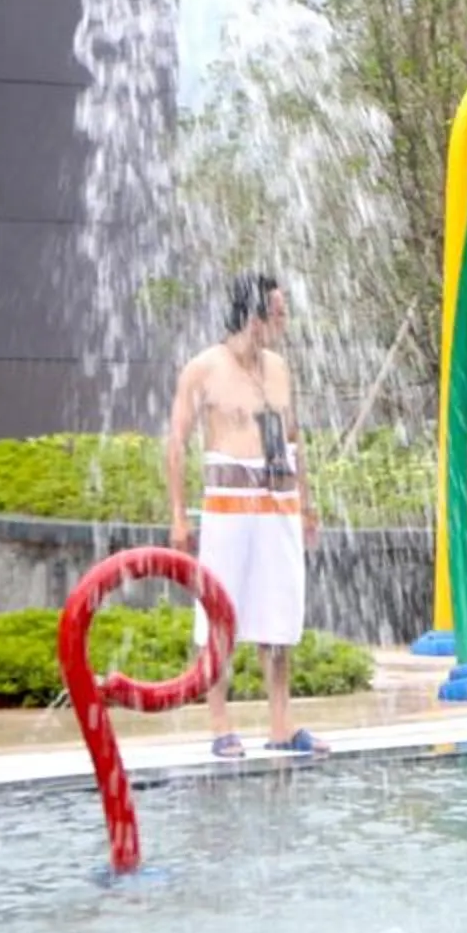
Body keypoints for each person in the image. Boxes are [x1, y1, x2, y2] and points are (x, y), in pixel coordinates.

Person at [166, 273, 318, 759]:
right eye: (279, 313)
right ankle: (220, 723)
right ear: (255, 318)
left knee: (279, 614)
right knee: (218, 610)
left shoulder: (279, 368)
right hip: (229, 504)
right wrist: (178, 516)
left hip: (278, 500)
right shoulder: (204, 368)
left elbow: (293, 439)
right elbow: (176, 443)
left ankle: (281, 722)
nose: (285, 322)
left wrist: (307, 503)